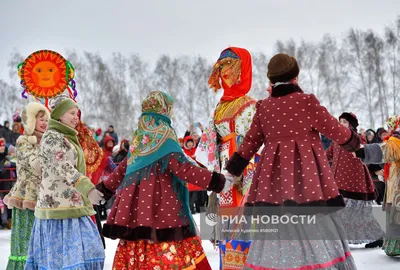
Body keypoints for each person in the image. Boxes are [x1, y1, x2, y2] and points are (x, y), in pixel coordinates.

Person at [226, 53, 359, 269]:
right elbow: (333, 129)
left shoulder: (264, 107)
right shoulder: (306, 102)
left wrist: (233, 170)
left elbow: (250, 142)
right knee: (315, 225)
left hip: (274, 183)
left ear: (271, 81)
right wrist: (353, 143)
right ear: (295, 78)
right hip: (307, 180)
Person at [96, 90, 232, 269]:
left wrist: (103, 189)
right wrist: (217, 182)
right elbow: (183, 168)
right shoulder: (165, 136)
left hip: (136, 215)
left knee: (139, 254)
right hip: (164, 214)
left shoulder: (139, 139)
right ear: (164, 111)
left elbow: (122, 169)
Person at [25, 96, 105, 269]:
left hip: (71, 204)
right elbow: (62, 165)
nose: (76, 117)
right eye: (72, 113)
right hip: (58, 208)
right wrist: (87, 188)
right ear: (60, 115)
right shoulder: (52, 137)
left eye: (77, 114)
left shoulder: (65, 136)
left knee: (92, 250)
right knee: (64, 259)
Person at [196, 47, 257, 269]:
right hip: (231, 166)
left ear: (243, 68)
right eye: (221, 66)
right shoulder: (223, 107)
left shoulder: (247, 105)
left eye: (230, 65)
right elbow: (210, 141)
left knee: (243, 216)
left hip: (242, 167)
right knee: (233, 217)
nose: (224, 71)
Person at [326, 112, 384, 248]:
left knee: (358, 213)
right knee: (340, 211)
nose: (341, 124)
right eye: (340, 121)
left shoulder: (356, 139)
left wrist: (375, 168)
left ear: (351, 125)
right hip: (338, 182)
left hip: (355, 183)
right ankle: (340, 238)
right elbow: (326, 155)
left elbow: (367, 153)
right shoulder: (335, 140)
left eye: (345, 122)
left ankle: (377, 237)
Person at [3, 102, 49, 269]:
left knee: (42, 241)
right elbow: (37, 166)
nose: (44, 123)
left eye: (46, 120)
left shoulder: (47, 140)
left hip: (44, 196)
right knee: (26, 242)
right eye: (40, 119)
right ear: (30, 121)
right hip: (26, 197)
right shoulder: (23, 142)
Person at [356, 115, 400, 256]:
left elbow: (385, 151)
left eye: (389, 127)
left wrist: (364, 151)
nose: (388, 130)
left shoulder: (396, 141)